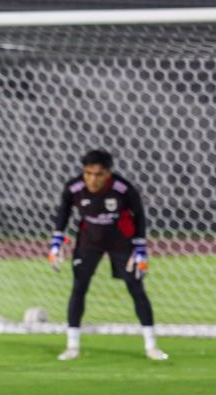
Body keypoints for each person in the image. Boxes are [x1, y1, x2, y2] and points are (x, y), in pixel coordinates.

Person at [48, 149, 167, 361]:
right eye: (88, 173)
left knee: (136, 289)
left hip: (122, 242)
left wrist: (140, 247)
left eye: (98, 174)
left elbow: (139, 215)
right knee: (79, 288)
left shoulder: (123, 189)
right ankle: (72, 346)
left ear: (108, 173)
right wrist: (57, 239)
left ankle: (152, 346)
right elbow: (64, 211)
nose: (92, 179)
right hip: (88, 242)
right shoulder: (74, 187)